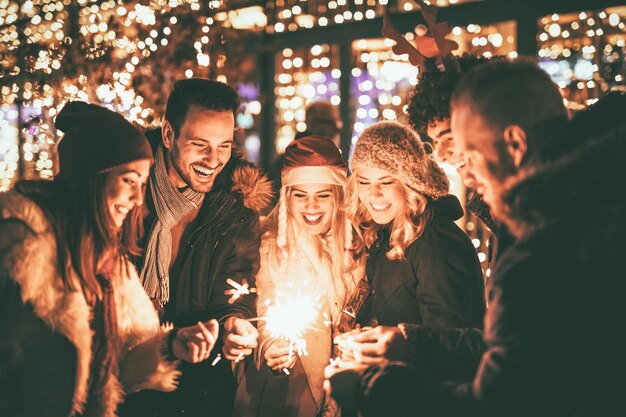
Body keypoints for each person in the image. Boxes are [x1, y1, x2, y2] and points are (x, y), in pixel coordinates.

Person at [325, 61, 625, 417]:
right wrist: (407, 342)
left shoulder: (552, 241)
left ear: (514, 143)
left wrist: (369, 388)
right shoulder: (565, 214)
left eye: (468, 154)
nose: (462, 171)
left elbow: (498, 401)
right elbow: (517, 347)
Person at [0, 102, 219, 417]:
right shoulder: (20, 249)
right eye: (129, 181)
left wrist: (169, 345)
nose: (138, 199)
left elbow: (118, 365)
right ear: (93, 177)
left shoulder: (109, 265)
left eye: (142, 185)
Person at [120, 79, 273, 417]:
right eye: (199, 144)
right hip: (125, 386)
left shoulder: (236, 207)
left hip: (199, 391)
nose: (213, 160)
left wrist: (237, 323)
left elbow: (239, 285)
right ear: (168, 134)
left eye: (224, 146)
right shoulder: (126, 195)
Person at [233, 135, 363, 417]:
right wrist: (271, 345)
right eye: (301, 195)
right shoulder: (271, 247)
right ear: (287, 197)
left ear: (338, 196)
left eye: (322, 195)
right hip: (292, 388)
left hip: (351, 387)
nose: (311, 206)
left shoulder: (359, 245)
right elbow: (263, 306)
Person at [342, 121, 485, 339]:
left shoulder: (435, 244)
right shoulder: (387, 236)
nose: (373, 194)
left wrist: (388, 347)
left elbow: (448, 341)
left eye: (386, 182)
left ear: (410, 184)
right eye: (364, 182)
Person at [406, 54, 515, 271]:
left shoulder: (546, 208)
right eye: (436, 141)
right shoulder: (498, 207)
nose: (441, 155)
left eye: (450, 138)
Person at [269, 100, 341, 195]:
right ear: (309, 122)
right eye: (321, 121)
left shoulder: (287, 158)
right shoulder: (289, 160)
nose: (326, 127)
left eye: (330, 122)